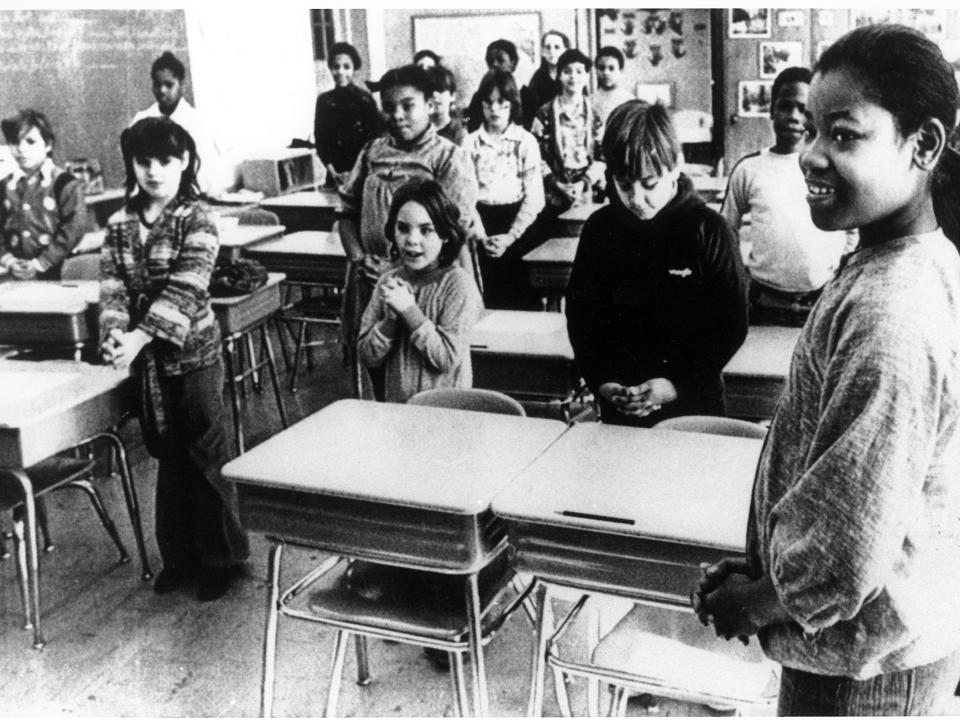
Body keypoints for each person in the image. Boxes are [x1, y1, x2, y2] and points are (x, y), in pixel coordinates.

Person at [694, 24, 960, 715]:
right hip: (867, 647)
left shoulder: (892, 315)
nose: (811, 154)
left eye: (844, 135)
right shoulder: (890, 262)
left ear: (922, 146)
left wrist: (755, 603)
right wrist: (765, 569)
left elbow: (846, 548)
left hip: (864, 673)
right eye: (812, 130)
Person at [99, 117, 248, 602]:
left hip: (195, 356)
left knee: (206, 454)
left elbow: (189, 284)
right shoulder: (120, 224)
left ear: (184, 162)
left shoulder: (198, 217)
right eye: (144, 161)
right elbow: (113, 287)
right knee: (168, 455)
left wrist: (140, 336)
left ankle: (220, 558)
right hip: (150, 364)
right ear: (132, 165)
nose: (155, 171)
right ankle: (179, 558)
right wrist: (114, 334)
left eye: (166, 160)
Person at [566, 100, 748, 426]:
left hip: (693, 405)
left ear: (676, 165)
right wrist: (602, 382)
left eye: (649, 184)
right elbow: (582, 317)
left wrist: (675, 385)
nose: (636, 199)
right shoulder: (599, 230)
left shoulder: (710, 231)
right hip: (619, 404)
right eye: (623, 184)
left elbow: (730, 325)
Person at [337, 64, 484, 401]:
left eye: (407, 105)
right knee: (377, 370)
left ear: (430, 104)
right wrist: (361, 260)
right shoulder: (371, 152)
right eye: (388, 107)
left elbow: (454, 229)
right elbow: (345, 214)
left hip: (433, 280)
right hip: (371, 279)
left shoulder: (447, 156)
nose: (397, 115)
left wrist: (396, 266)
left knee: (432, 369)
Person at [721, 66, 851, 326]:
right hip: (763, 301)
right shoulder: (750, 168)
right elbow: (725, 230)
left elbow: (854, 227)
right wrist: (740, 279)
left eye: (803, 109)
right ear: (771, 110)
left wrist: (838, 268)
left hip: (823, 299)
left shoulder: (830, 166)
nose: (793, 117)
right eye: (784, 106)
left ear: (815, 115)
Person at [357, 178, 482, 402]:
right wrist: (391, 321)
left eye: (426, 230)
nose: (412, 240)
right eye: (403, 228)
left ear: (445, 234)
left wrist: (409, 311)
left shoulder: (458, 284)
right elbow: (366, 356)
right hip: (399, 412)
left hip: (447, 415)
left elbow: (446, 358)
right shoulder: (388, 281)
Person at [464, 70, 545, 309]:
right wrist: (482, 237)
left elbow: (535, 197)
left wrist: (510, 236)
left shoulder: (525, 141)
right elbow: (465, 197)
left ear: (512, 104)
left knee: (521, 301)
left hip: (518, 227)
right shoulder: (470, 143)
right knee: (486, 300)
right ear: (481, 104)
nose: (495, 109)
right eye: (488, 102)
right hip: (481, 226)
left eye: (502, 102)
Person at [0, 109, 87, 280]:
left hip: (59, 271)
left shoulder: (64, 183)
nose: (21, 149)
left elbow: (74, 228)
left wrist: (41, 262)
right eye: (14, 142)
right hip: (17, 273)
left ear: (48, 145)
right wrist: (8, 260)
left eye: (31, 141)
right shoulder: (4, 186)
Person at [130, 51, 224, 196]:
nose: (162, 90)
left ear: (182, 85)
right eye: (157, 84)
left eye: (169, 85)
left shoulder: (197, 121)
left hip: (189, 196)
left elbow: (205, 170)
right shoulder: (141, 120)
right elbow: (134, 167)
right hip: (150, 197)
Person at [531, 48, 604, 219]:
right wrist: (556, 184)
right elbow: (534, 155)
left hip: (587, 188)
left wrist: (584, 182)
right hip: (553, 189)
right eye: (567, 71)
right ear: (558, 75)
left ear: (587, 76)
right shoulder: (544, 113)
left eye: (579, 72)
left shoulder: (595, 113)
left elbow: (603, 155)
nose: (573, 76)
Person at [314, 42, 384, 188]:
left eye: (346, 67)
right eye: (336, 67)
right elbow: (321, 141)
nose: (340, 72)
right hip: (335, 175)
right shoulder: (324, 101)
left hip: (362, 174)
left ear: (354, 70)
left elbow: (375, 140)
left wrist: (359, 173)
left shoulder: (365, 99)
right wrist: (334, 173)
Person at [464, 39, 519, 133]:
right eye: (490, 61)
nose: (494, 64)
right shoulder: (480, 95)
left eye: (500, 60)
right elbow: (470, 120)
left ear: (512, 63)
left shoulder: (525, 94)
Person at [521, 30, 570, 129]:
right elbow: (529, 111)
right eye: (548, 47)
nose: (551, 51)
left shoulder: (572, 77)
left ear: (565, 50)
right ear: (543, 51)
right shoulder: (536, 78)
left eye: (557, 47)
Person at [592, 46, 635, 133]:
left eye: (611, 68)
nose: (606, 72)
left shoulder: (629, 101)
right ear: (596, 70)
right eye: (601, 68)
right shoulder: (591, 100)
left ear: (621, 70)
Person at [425, 65, 466, 146]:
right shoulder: (419, 132)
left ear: (452, 96)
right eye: (430, 91)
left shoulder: (459, 135)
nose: (435, 95)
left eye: (440, 90)